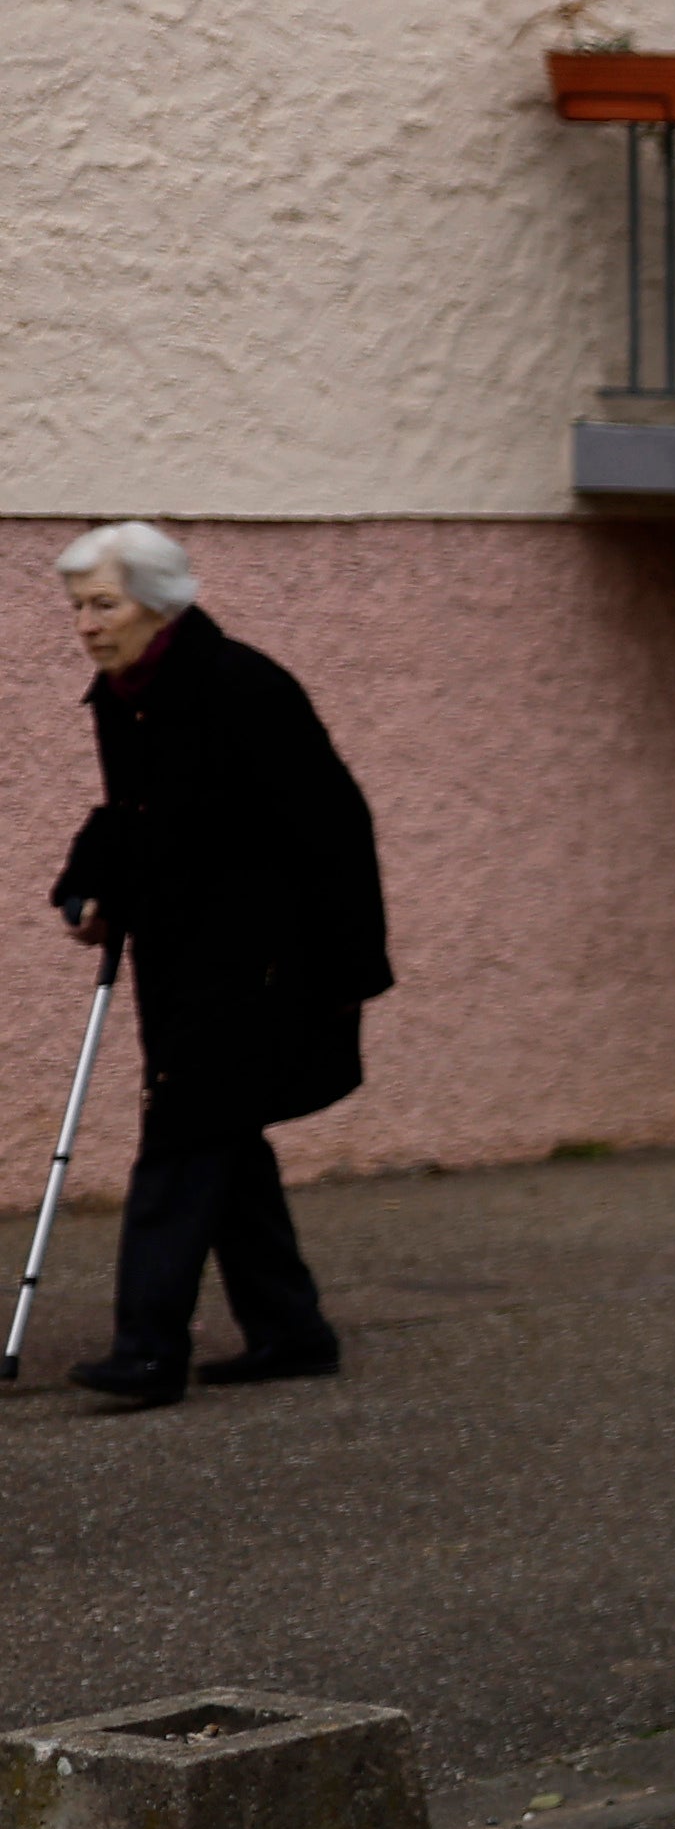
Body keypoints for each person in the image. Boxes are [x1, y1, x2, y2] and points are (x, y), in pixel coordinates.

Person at [44, 524, 387, 1407]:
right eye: (78, 607)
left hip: (261, 959)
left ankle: (148, 1351)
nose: (85, 624)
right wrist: (91, 888)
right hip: (181, 950)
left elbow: (335, 826)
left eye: (103, 604)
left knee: (184, 1137)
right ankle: (291, 1331)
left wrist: (342, 972)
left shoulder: (243, 688)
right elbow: (133, 817)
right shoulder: (128, 693)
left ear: (158, 603)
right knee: (222, 1141)